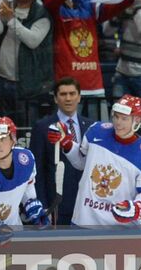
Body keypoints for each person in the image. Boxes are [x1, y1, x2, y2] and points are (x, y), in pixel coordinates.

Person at [48, 94, 141, 228]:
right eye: (116, 116)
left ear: (136, 120)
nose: (118, 123)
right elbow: (81, 163)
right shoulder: (96, 131)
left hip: (121, 230)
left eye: (124, 119)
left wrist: (137, 208)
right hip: (84, 222)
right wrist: (66, 142)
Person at [29, 77, 98, 226]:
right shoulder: (42, 127)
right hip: (56, 203)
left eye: (72, 94)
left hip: (86, 202)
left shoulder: (92, 126)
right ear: (55, 98)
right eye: (63, 94)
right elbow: (37, 171)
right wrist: (43, 205)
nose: (68, 98)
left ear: (79, 97)